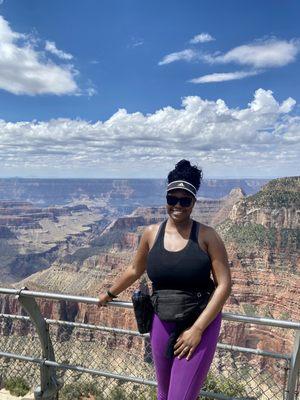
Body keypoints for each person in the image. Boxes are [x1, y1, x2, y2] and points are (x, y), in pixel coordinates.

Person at [98, 159, 232, 400]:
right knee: (164, 393)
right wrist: (109, 294)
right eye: (172, 199)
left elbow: (224, 285)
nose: (177, 205)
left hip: (198, 322)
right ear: (166, 198)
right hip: (161, 320)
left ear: (193, 203)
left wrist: (198, 329)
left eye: (185, 200)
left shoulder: (207, 236)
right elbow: (133, 269)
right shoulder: (151, 233)